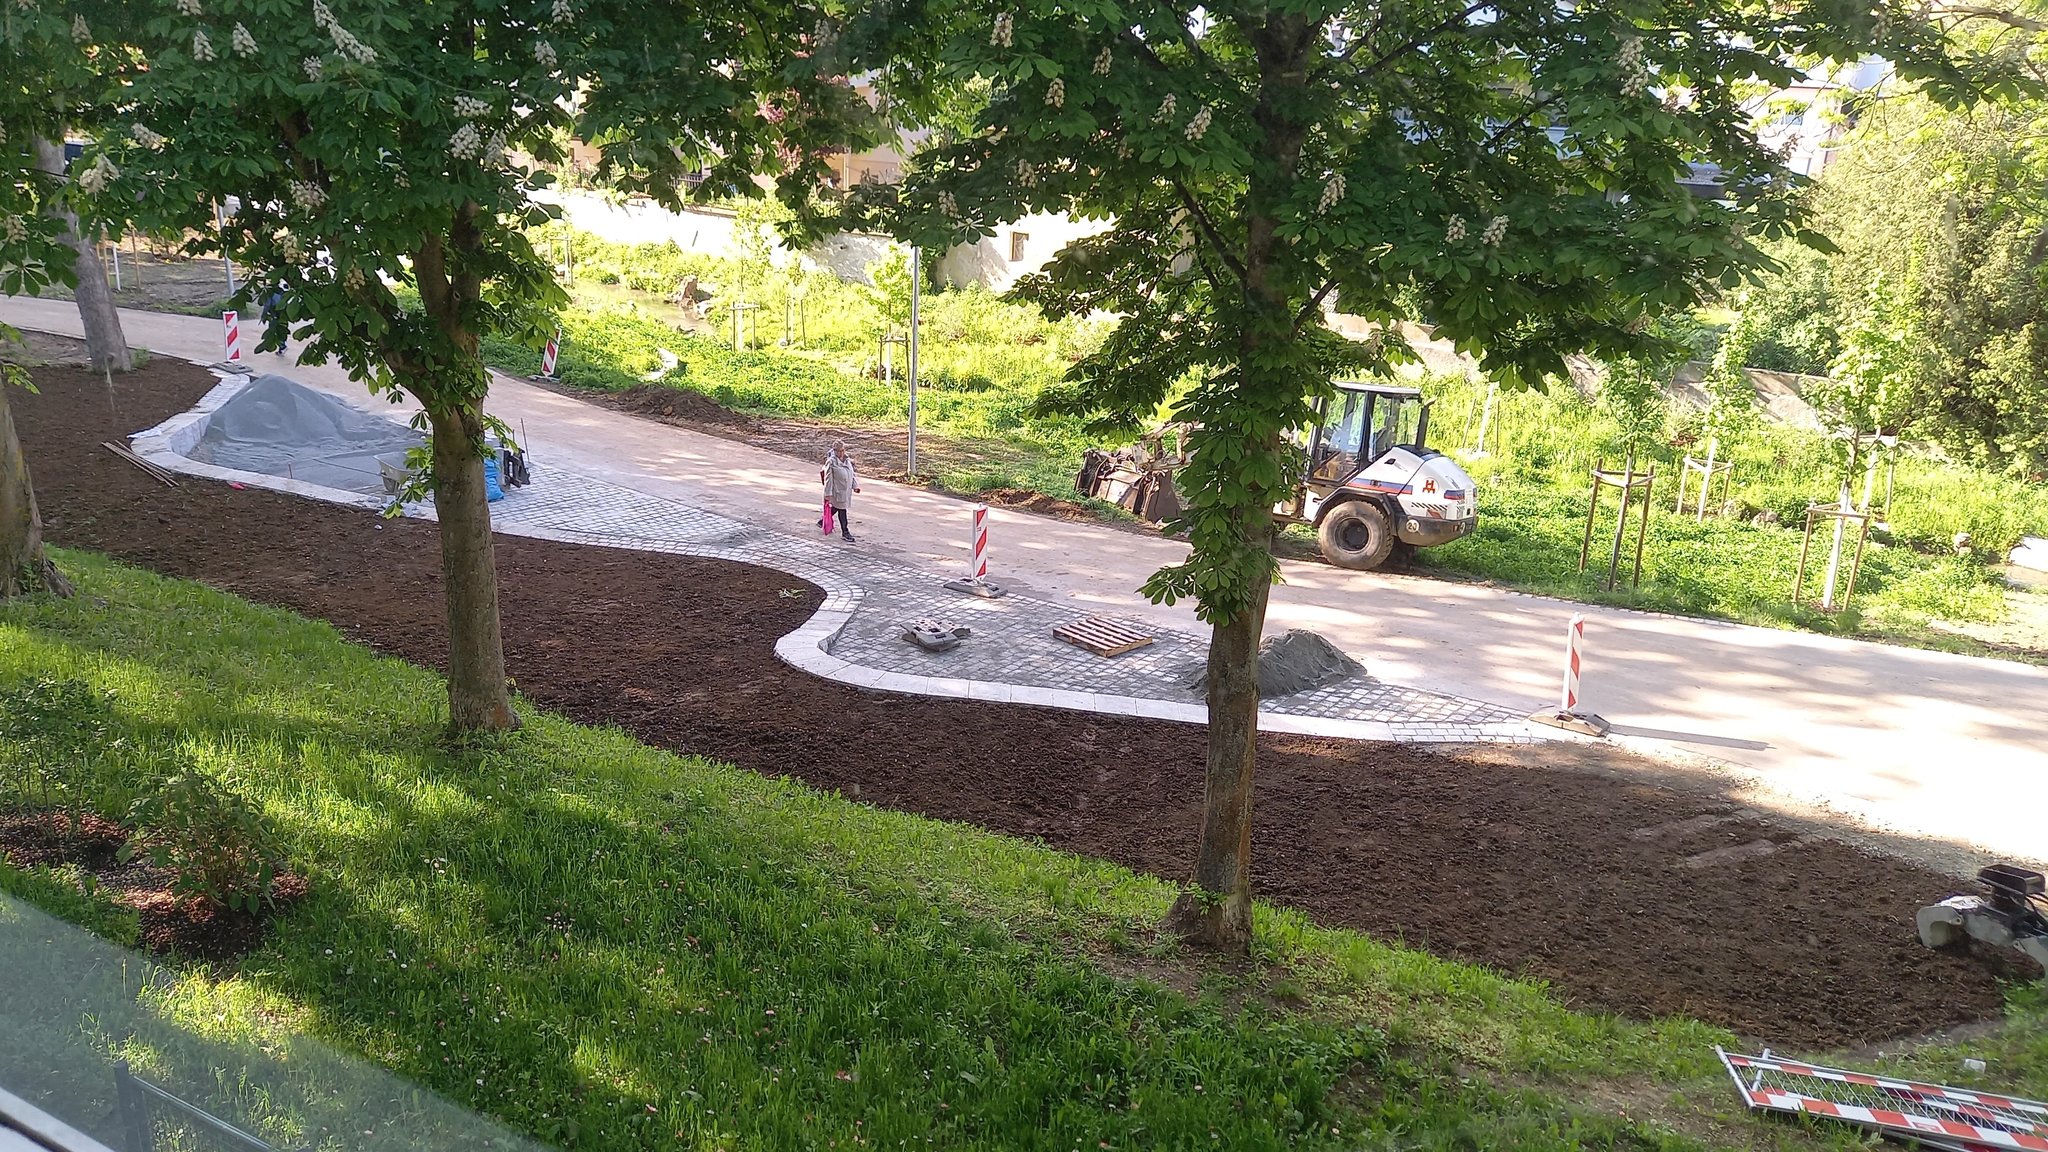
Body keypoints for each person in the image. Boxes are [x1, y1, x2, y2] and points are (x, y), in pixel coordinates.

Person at [821, 443, 859, 542]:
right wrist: (827, 494)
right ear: (834, 451)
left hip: (846, 491)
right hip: (837, 491)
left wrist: (855, 486)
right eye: (838, 451)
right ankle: (845, 532)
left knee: (837, 507)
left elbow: (852, 474)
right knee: (842, 510)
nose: (841, 453)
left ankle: (822, 521)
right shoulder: (831, 462)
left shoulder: (847, 461)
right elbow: (828, 478)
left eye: (842, 450)